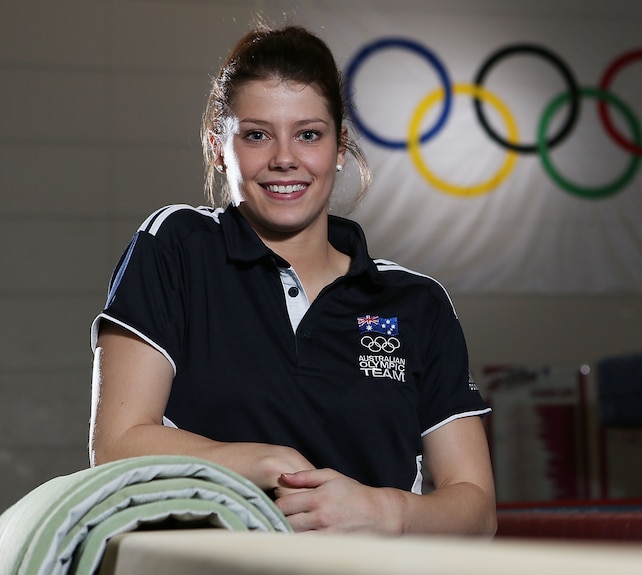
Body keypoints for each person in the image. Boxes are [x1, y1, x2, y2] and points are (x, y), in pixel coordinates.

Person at [88, 21, 496, 536]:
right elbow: (117, 444)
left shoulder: (416, 302)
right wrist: (264, 464)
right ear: (219, 146)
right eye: (257, 135)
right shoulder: (178, 246)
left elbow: (477, 510)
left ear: (340, 146)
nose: (285, 159)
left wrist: (383, 512)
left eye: (309, 134)